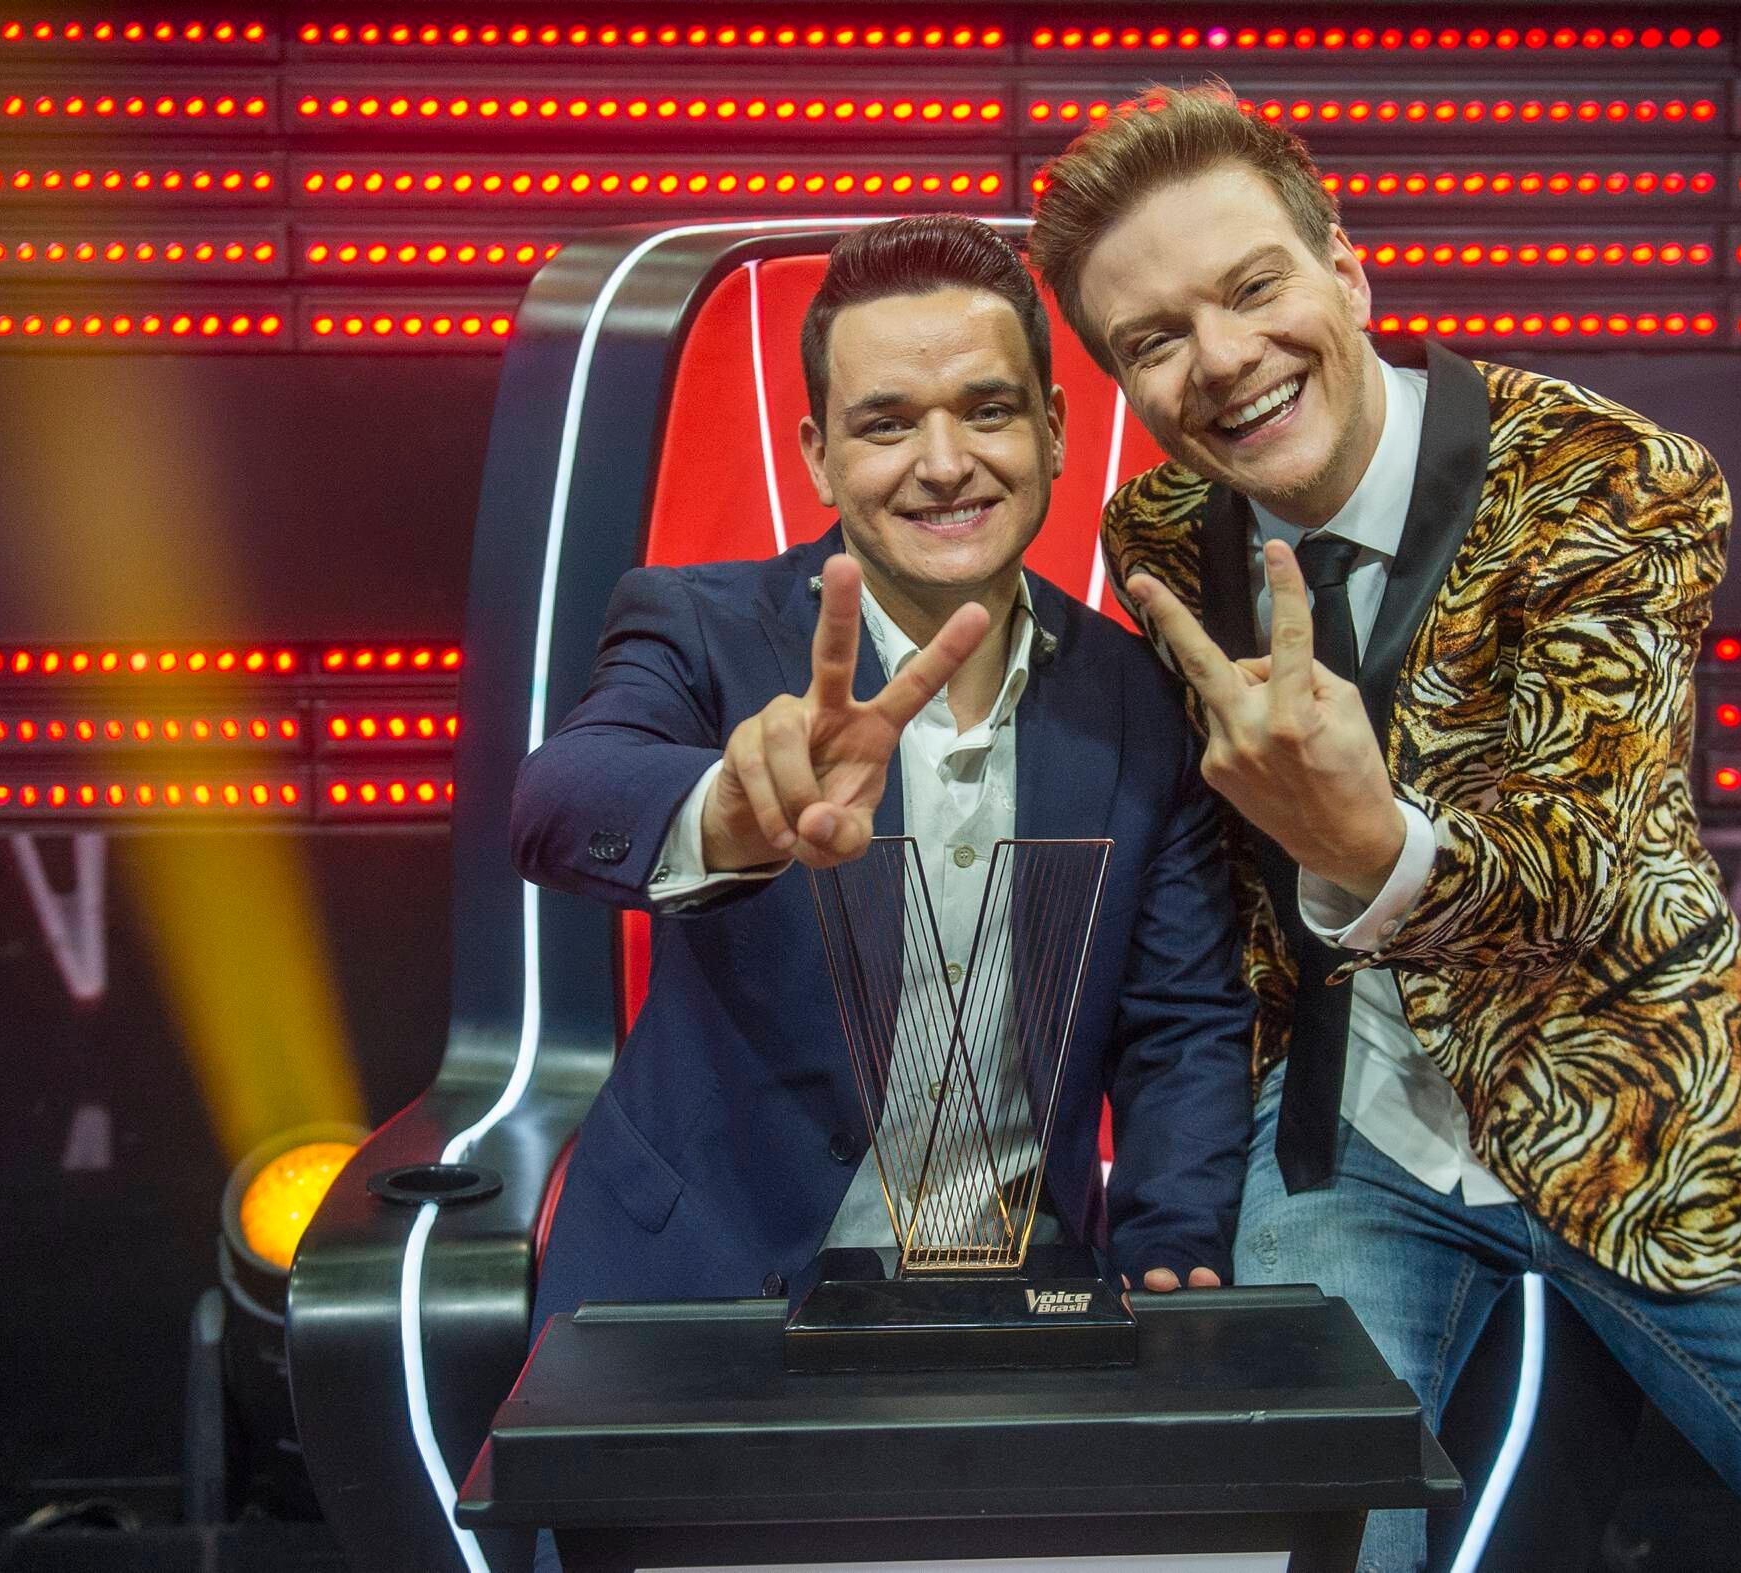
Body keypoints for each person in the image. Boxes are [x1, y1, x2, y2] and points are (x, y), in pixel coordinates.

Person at [1028, 86, 1741, 1573]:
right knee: (1277, 1554)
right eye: (1153, 338)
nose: (1222, 357)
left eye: (1250, 287)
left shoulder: (1609, 476)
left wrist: (1364, 846)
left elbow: (1587, 858)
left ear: (1344, 272)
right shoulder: (1163, 537)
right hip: (1337, 1140)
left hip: (1643, 1106)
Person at [512, 215, 1251, 1359]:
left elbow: (1180, 1025)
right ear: (818, 457)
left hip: (1017, 1305)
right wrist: (728, 812)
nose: (945, 462)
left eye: (988, 410)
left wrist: (1170, 1250)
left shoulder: (1139, 698)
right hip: (700, 1284)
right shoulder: (699, 623)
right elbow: (562, 796)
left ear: (1055, 431)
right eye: (888, 424)